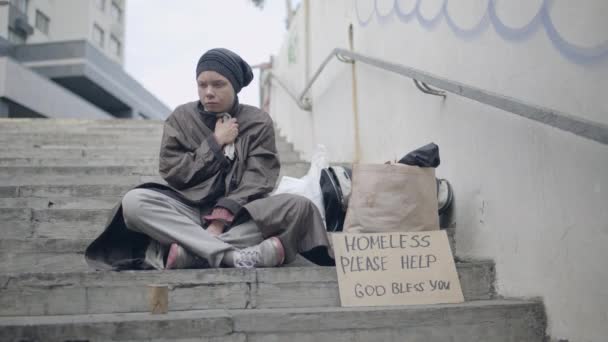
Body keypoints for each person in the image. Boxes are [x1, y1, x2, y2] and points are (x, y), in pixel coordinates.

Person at [85, 48, 330, 270]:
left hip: (239, 214)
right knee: (134, 202)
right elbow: (174, 172)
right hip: (186, 210)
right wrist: (214, 143)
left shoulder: (257, 121)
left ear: (234, 86)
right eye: (202, 85)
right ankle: (232, 257)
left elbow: (259, 178)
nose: (209, 92)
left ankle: (193, 254)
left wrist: (221, 218)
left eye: (218, 84)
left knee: (300, 207)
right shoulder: (181, 118)